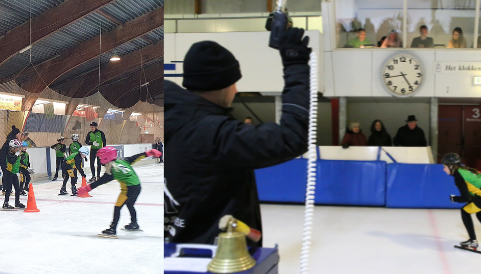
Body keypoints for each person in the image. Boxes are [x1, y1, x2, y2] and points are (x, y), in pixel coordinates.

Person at [165, 20, 312, 247]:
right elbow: (292, 137)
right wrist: (296, 64)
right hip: (216, 260)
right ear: (224, 84)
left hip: (174, 249)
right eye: (234, 83)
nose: (236, 89)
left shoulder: (172, 115)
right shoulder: (214, 133)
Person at [79, 147, 163, 238]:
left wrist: (86, 189)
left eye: (100, 157)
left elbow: (100, 181)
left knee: (117, 207)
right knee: (130, 205)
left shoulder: (112, 170)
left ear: (106, 157)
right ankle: (134, 224)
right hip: (137, 186)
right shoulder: (122, 161)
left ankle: (112, 229)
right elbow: (135, 157)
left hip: (129, 189)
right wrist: (149, 152)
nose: (99, 159)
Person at [443, 153, 481, 252]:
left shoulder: (458, 176)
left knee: (465, 211)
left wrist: (454, 199)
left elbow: (465, 198)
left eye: (445, 167)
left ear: (451, 166)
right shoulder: (466, 170)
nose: (444, 169)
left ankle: (473, 240)